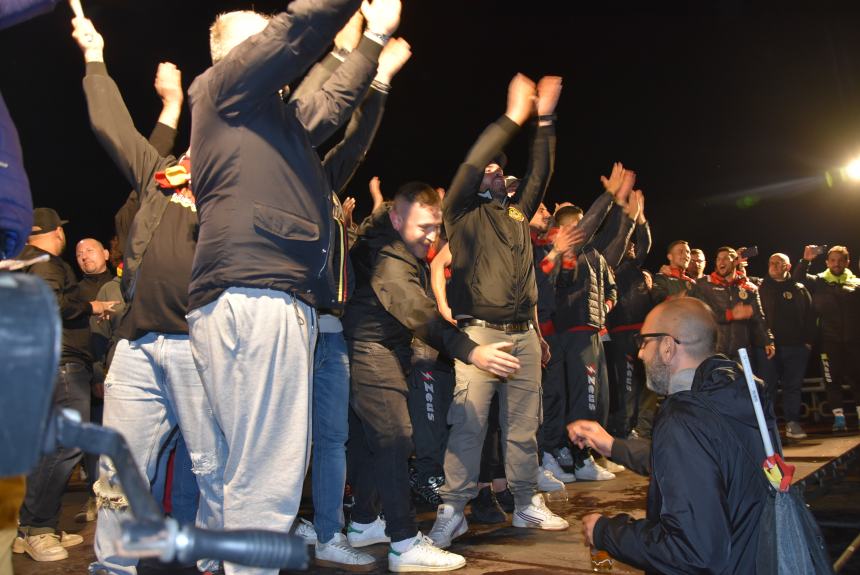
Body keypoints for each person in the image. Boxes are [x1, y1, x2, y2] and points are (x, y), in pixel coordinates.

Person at [185, 3, 399, 574]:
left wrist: (373, 43)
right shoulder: (222, 88)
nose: (276, 54)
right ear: (235, 53)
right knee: (268, 467)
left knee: (243, 460)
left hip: (253, 294)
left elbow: (329, 106)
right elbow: (295, 30)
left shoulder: (269, 119)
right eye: (258, 42)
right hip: (257, 293)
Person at [343, 183, 521, 571]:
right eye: (423, 227)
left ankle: (361, 524)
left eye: (435, 227)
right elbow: (418, 312)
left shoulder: (396, 242)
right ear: (395, 218)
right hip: (370, 350)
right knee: (395, 438)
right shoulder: (388, 256)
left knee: (374, 443)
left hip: (384, 348)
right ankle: (404, 544)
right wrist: (472, 350)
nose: (431, 236)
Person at [429, 73, 568, 551]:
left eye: (499, 170)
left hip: (524, 335)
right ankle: (452, 510)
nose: (494, 174)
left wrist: (545, 120)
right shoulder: (460, 213)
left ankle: (527, 501)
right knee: (468, 423)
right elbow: (471, 163)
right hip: (480, 335)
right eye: (488, 170)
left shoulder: (516, 215)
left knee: (524, 425)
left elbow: (541, 172)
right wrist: (514, 116)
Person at [571, 297, 778, 574]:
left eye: (644, 342)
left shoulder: (683, 416)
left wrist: (606, 532)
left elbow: (694, 552)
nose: (641, 354)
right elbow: (709, 464)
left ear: (667, 347)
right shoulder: (735, 395)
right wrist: (613, 447)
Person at [14, 208, 115, 563]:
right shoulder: (45, 262)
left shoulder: (22, 259)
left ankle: (32, 527)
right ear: (57, 233)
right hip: (61, 364)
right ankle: (38, 530)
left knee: (48, 449)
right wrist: (91, 304)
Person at [793, 245, 860, 431]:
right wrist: (806, 260)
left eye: (840, 260)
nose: (836, 264)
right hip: (828, 342)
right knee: (832, 381)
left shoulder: (857, 283)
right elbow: (797, 279)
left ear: (847, 262)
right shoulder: (818, 281)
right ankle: (839, 419)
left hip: (855, 342)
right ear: (827, 262)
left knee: (858, 379)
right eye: (833, 260)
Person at [758, 253, 816, 439]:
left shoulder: (799, 288)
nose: (774, 265)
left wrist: (808, 341)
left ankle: (793, 423)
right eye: (771, 262)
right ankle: (769, 427)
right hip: (769, 347)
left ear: (788, 267)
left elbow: (810, 316)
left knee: (793, 386)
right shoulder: (760, 287)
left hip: (797, 347)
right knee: (768, 387)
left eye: (779, 263)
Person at [691, 246, 774, 361]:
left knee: (745, 379)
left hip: (742, 352)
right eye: (718, 259)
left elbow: (759, 316)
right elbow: (704, 314)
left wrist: (768, 340)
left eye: (725, 258)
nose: (721, 261)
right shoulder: (704, 285)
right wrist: (731, 314)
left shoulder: (748, 286)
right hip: (714, 351)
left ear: (735, 261)